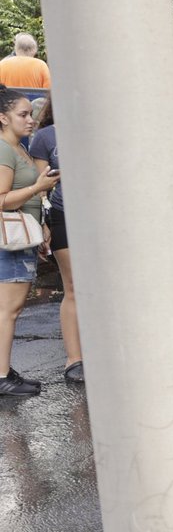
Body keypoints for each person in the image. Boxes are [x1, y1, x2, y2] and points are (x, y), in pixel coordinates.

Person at [0, 86, 59, 397]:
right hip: (8, 240)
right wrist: (38, 186)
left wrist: (42, 225)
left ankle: (5, 369)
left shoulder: (18, 147)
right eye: (22, 115)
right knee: (7, 310)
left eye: (30, 114)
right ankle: (1, 375)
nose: (31, 119)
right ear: (3, 118)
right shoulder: (5, 149)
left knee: (12, 308)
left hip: (22, 237)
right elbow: (3, 199)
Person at [28, 97, 81, 383]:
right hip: (64, 214)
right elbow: (40, 187)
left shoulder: (95, 128)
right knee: (73, 286)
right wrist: (44, 223)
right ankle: (74, 360)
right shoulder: (45, 137)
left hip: (103, 218)